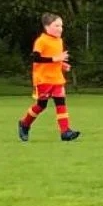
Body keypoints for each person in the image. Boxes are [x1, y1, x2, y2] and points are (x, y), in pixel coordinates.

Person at [18, 13, 79, 142]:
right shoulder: (41, 41)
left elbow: (55, 58)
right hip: (43, 79)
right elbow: (36, 58)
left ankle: (65, 132)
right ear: (47, 27)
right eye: (56, 26)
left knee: (61, 103)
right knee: (41, 105)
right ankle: (24, 123)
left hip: (57, 79)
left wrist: (62, 64)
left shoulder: (59, 41)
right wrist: (56, 59)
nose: (60, 28)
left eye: (61, 26)